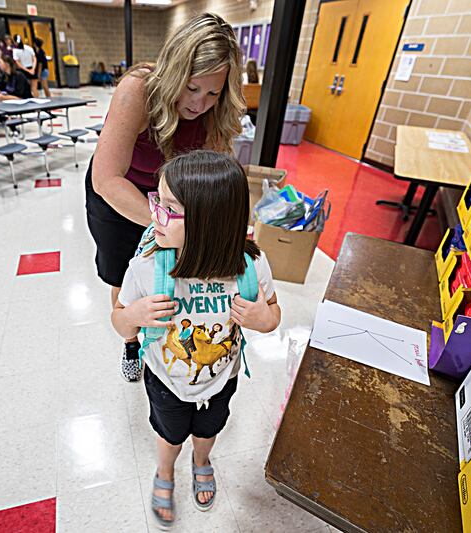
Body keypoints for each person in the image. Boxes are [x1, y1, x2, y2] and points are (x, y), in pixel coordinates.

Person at [111, 150, 280, 529]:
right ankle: (165, 473)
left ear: (210, 221)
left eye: (169, 208)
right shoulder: (148, 267)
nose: (155, 214)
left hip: (222, 377)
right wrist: (133, 317)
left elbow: (273, 311)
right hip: (167, 380)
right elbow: (120, 323)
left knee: (209, 429)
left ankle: (201, 462)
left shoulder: (249, 266)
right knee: (169, 433)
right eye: (158, 200)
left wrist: (265, 319)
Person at [86, 12, 245, 383]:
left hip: (172, 199)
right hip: (120, 193)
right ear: (175, 70)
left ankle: (166, 340)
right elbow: (106, 179)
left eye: (212, 92)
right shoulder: (138, 90)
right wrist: (168, 226)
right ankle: (130, 342)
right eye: (192, 87)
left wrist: (226, 227)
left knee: (171, 272)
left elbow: (218, 181)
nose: (199, 103)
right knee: (124, 274)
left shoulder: (216, 111)